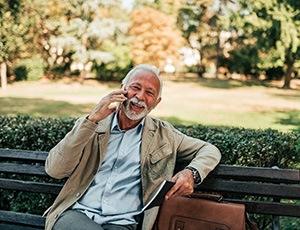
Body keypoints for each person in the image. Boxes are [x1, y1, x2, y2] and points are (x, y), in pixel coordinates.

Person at [44, 64, 221, 230]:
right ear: (123, 88)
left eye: (149, 92)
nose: (140, 96)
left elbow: (210, 150)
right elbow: (55, 170)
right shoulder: (92, 125)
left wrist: (192, 172)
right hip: (77, 214)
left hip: (122, 222)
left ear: (156, 103)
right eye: (136, 87)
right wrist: (92, 120)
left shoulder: (164, 135)